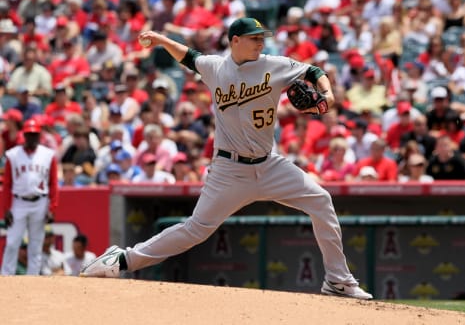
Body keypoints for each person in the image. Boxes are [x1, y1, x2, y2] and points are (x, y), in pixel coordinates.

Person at [80, 17, 373, 300]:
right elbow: (188, 56)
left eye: (262, 38)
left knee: (321, 201)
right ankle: (123, 259)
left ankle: (337, 280)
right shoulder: (215, 67)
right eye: (254, 39)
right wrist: (159, 39)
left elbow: (314, 71)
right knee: (195, 229)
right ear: (235, 41)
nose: (260, 43)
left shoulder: (274, 65)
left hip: (269, 164)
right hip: (229, 169)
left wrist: (328, 95)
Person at [1, 119, 58, 275]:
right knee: (12, 242)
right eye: (29, 134)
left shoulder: (48, 155)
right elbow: (7, 185)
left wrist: (52, 207)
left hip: (40, 201)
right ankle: (6, 276)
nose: (32, 137)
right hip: (19, 202)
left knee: (36, 244)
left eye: (35, 134)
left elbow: (53, 183)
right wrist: (6, 208)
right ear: (24, 135)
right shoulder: (13, 155)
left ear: (39, 135)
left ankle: (32, 278)